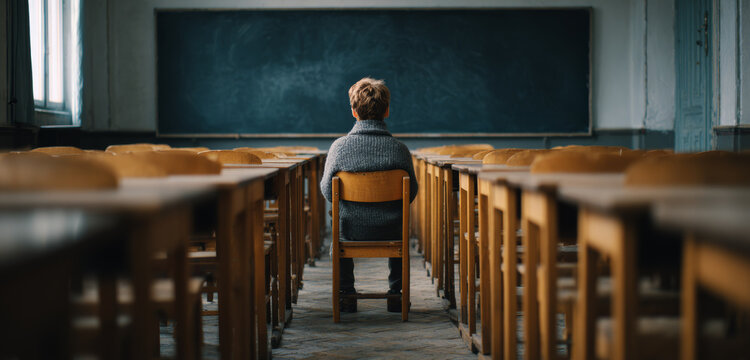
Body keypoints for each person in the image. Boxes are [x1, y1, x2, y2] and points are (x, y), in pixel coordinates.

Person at [320, 77, 419, 313]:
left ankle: (346, 293)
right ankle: (397, 293)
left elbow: (327, 191)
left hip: (351, 228)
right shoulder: (400, 149)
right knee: (401, 220)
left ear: (354, 112)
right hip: (391, 227)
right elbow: (411, 192)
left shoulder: (339, 148)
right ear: (387, 111)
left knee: (338, 220)